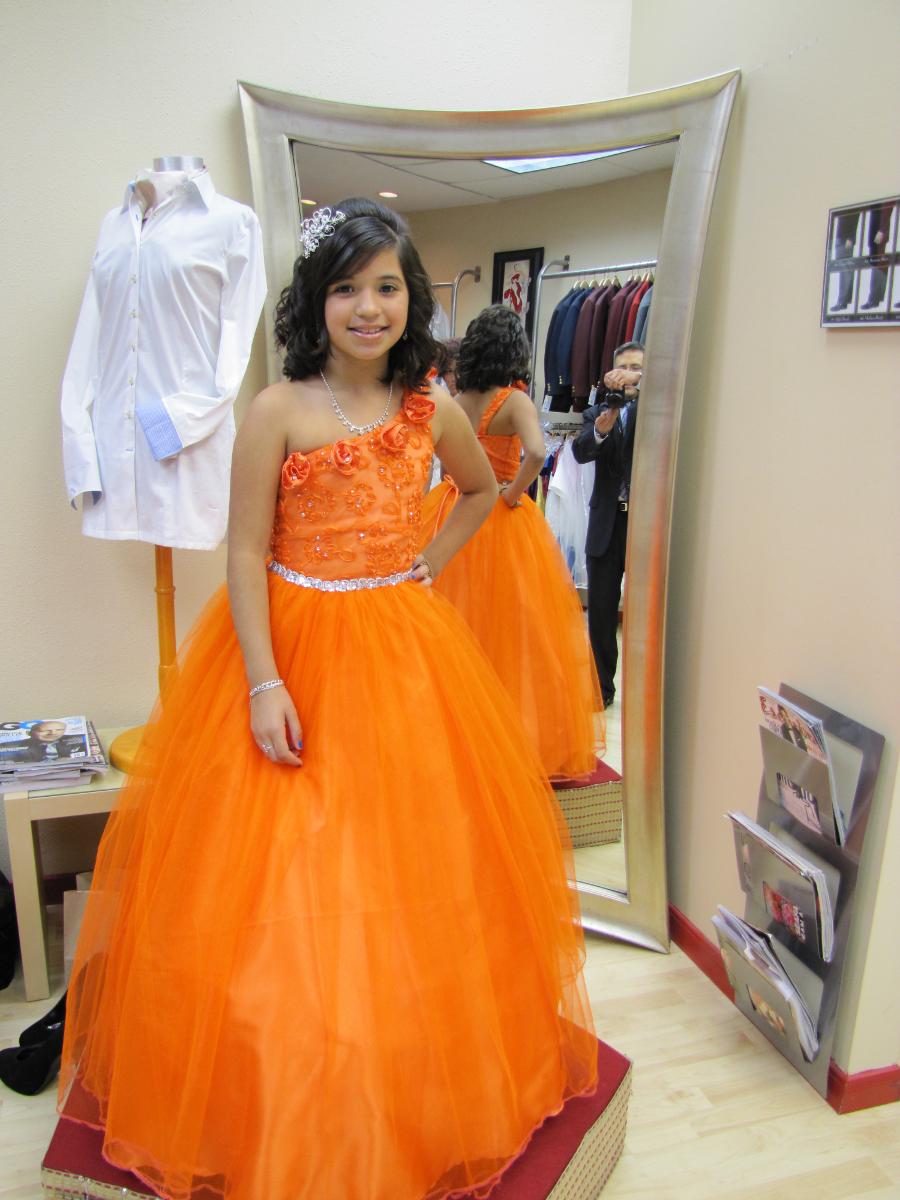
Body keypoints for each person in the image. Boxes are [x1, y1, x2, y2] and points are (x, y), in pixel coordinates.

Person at [59, 200, 597, 1200]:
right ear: (316, 299)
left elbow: (482, 490)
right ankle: (291, 1085)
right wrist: (264, 682)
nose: (368, 306)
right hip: (291, 651)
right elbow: (247, 552)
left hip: (403, 650)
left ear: (411, 299)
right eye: (347, 287)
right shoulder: (279, 408)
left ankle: (406, 1070)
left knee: (415, 869)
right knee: (284, 875)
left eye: (387, 285)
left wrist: (425, 564)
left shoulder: (432, 406)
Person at [420, 304, 604, 780]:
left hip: (452, 509)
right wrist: (514, 491)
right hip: (500, 516)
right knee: (516, 631)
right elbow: (539, 452)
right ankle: (512, 734)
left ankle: (457, 731)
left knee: (462, 626)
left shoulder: (461, 398)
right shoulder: (514, 399)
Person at [572, 340, 644, 707]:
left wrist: (643, 390)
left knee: (646, 613)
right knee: (601, 610)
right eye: (623, 368)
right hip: (606, 522)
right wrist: (602, 427)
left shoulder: (659, 411)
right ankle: (601, 688)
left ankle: (646, 694)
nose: (629, 375)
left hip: (646, 525)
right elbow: (581, 451)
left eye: (637, 368)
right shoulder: (599, 411)